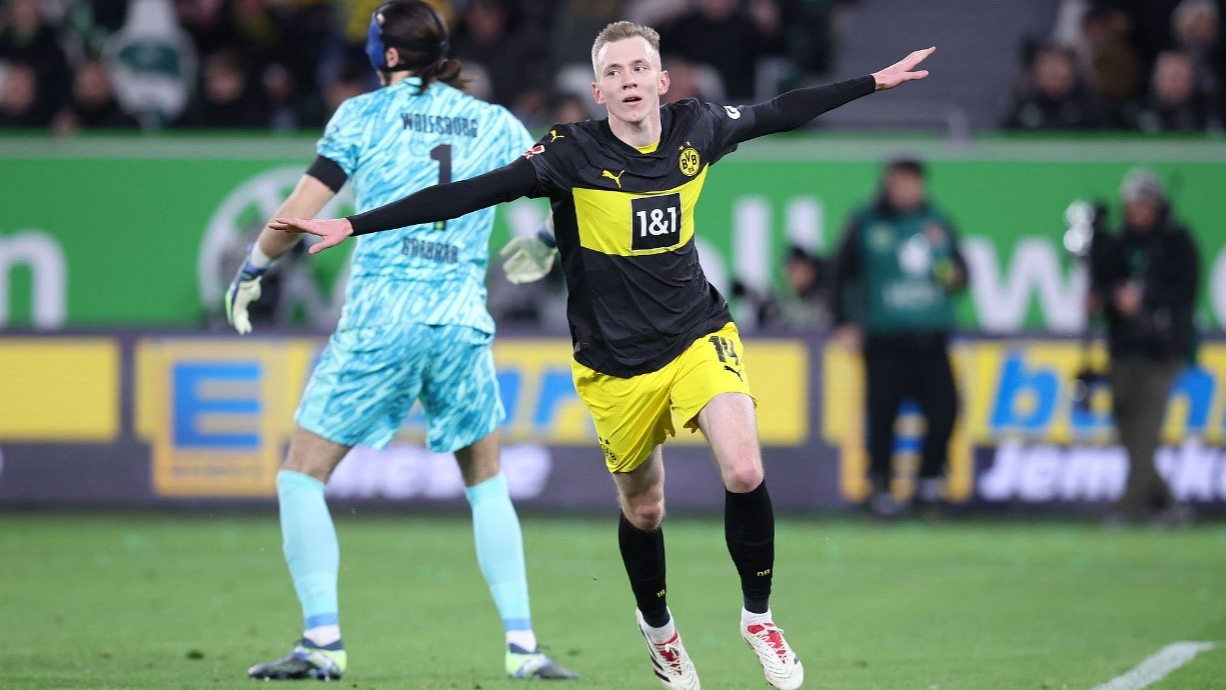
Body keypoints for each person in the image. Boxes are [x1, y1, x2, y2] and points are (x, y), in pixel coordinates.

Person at [271, 21, 933, 690]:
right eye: (614, 73)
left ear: (661, 80)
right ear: (598, 90)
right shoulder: (569, 153)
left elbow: (781, 111)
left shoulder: (697, 128)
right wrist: (354, 222)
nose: (629, 81)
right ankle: (660, 633)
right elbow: (473, 191)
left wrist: (875, 80)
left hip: (697, 332)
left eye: (639, 68)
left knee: (742, 466)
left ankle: (758, 617)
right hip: (614, 361)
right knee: (645, 509)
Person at [224, 1, 577, 681]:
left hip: (381, 320)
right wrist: (540, 247)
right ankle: (524, 649)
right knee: (487, 484)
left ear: (385, 55)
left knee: (301, 477)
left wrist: (253, 268)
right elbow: (559, 203)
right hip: (460, 322)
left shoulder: (362, 115)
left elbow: (298, 215)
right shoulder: (496, 121)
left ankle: (322, 643)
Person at [828, 158, 968, 519]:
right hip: (884, 340)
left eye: (912, 182)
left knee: (944, 412)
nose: (906, 189)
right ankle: (881, 486)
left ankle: (929, 483)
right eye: (899, 182)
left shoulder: (937, 222)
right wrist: (843, 321)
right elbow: (840, 273)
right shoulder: (866, 222)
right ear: (888, 184)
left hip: (931, 338)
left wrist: (955, 276)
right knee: (882, 414)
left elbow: (962, 271)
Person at [1093, 169, 1201, 526]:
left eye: (1144, 203)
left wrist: (1145, 298)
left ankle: (1124, 507)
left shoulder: (1176, 241)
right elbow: (1102, 287)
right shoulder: (1117, 242)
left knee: (1146, 431)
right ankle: (1169, 505)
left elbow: (1186, 292)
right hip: (1123, 347)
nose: (1138, 210)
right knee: (1128, 432)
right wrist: (1110, 298)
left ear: (1156, 204)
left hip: (1160, 349)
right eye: (1132, 203)